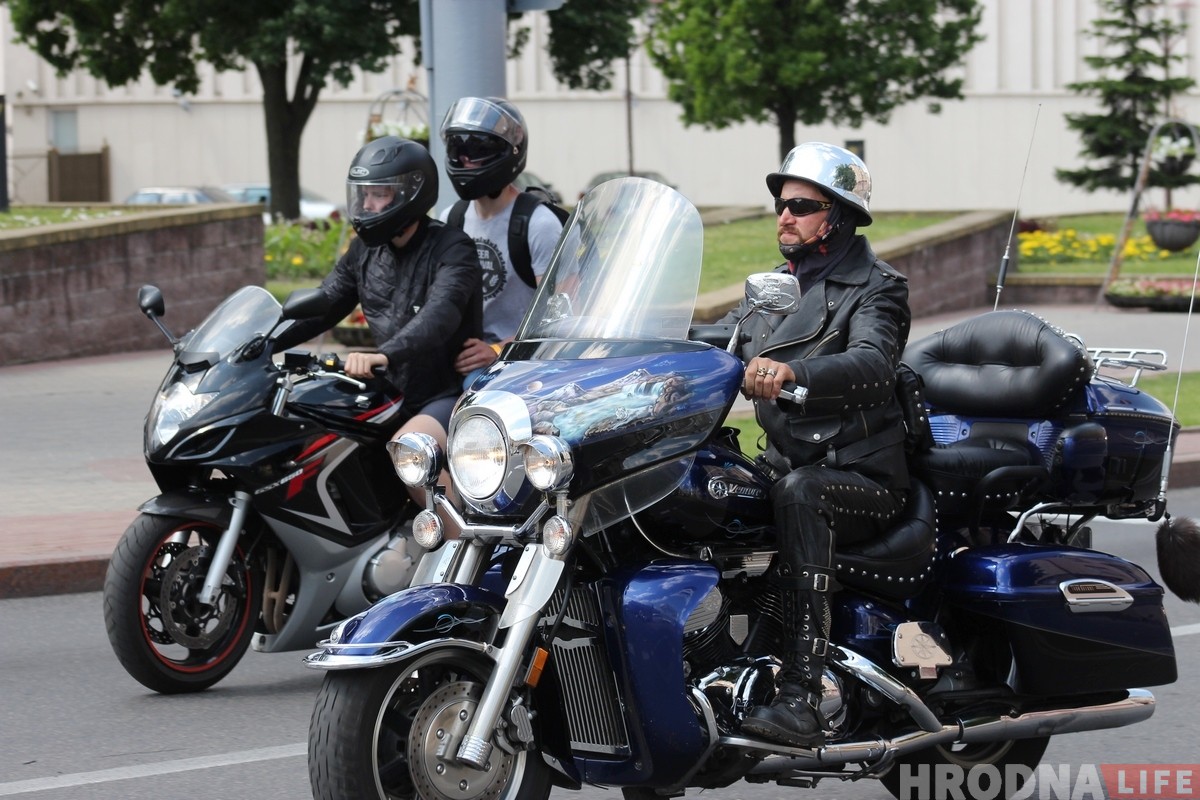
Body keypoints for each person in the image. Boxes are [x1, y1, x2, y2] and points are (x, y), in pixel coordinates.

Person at [723, 142, 912, 747]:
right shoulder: (775, 288)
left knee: (802, 493)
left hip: (858, 476)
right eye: (781, 204)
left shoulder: (877, 287)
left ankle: (801, 694)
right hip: (783, 464)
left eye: (802, 206)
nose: (785, 216)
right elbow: (718, 341)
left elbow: (874, 364)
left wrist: (794, 373)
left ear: (840, 215)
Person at [274, 135, 482, 486]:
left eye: (379, 194)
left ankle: (456, 524)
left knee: (411, 451)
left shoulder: (453, 248)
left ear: (410, 194)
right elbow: (324, 303)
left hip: (448, 392)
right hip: (389, 390)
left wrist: (382, 355)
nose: (367, 205)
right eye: (364, 194)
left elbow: (439, 316)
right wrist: (260, 340)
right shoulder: (364, 252)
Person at [438, 96, 566, 386]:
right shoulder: (453, 218)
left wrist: (497, 350)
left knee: (473, 387)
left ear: (509, 154)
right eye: (458, 150)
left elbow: (561, 317)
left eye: (477, 151)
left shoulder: (539, 223)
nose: (465, 160)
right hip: (463, 357)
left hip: (524, 362)